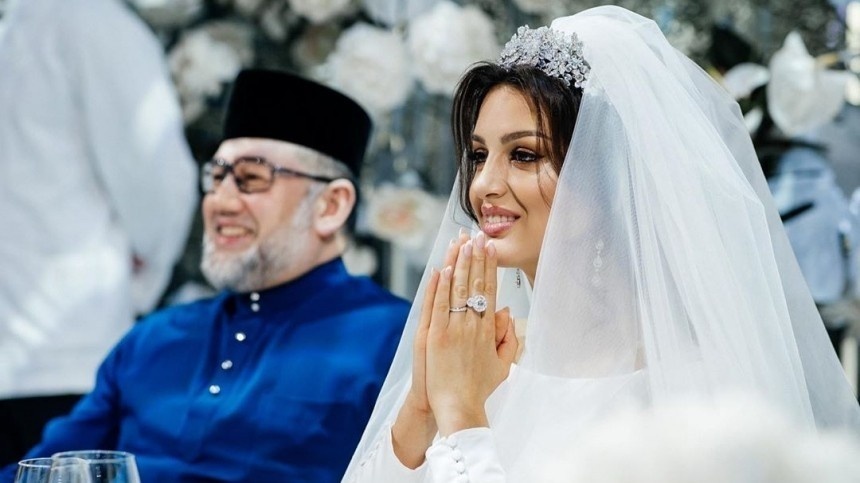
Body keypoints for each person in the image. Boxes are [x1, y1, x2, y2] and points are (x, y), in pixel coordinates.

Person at [343, 6, 860, 482]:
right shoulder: (473, 356)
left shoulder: (687, 393)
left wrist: (461, 417)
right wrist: (422, 409)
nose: (483, 185)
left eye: (524, 155)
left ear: (603, 181)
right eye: (479, 156)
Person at [0, 69, 410, 483]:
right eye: (216, 178)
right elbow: (42, 470)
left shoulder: (395, 342)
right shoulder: (153, 339)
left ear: (331, 205)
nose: (220, 202)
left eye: (251, 179)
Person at [0, 0, 197, 465]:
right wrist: (143, 281)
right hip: (65, 354)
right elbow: (160, 187)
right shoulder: (92, 23)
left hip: (59, 358)